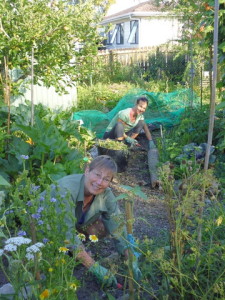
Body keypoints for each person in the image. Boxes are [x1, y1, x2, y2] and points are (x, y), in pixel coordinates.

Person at [48, 155, 141, 288]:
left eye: (106, 179)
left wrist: (130, 257)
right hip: (47, 227)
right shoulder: (65, 190)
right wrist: (94, 267)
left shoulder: (106, 194)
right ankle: (74, 252)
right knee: (52, 255)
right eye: (97, 175)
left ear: (110, 182)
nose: (99, 182)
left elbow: (118, 227)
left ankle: (75, 252)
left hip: (72, 226)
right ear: (87, 171)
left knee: (101, 228)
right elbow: (65, 232)